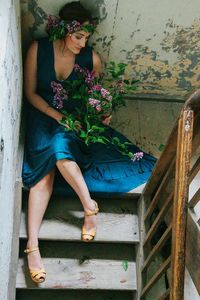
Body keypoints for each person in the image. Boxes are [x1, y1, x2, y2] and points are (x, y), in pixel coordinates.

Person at [22, 1, 156, 283]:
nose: (83, 44)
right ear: (63, 31)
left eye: (87, 38)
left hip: (72, 119)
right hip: (43, 114)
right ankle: (34, 244)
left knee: (61, 150)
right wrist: (56, 115)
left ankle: (86, 208)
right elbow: (31, 93)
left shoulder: (91, 59)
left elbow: (93, 98)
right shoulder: (38, 50)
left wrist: (99, 113)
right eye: (78, 37)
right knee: (41, 177)